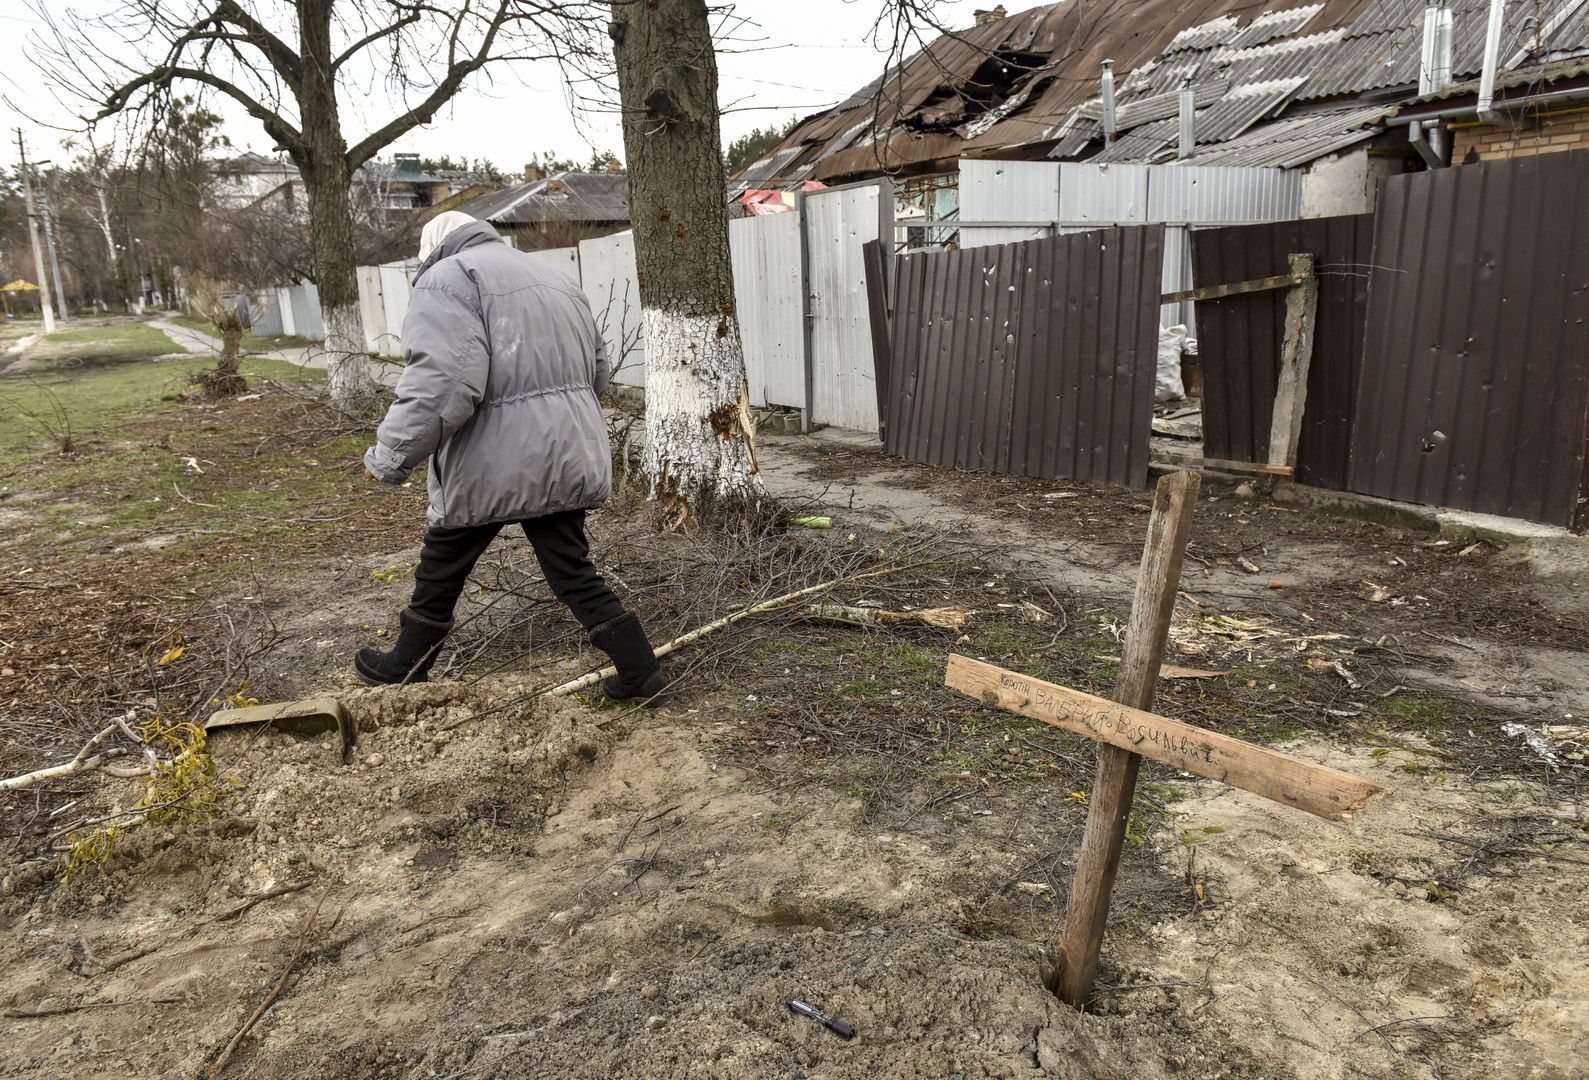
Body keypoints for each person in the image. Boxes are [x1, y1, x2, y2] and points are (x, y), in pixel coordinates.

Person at [356, 211, 666, 701]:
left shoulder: (449, 278)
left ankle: (405, 665)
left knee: (441, 564)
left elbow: (443, 382)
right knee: (570, 567)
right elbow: (598, 373)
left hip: (493, 460)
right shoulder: (555, 278)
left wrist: (391, 454)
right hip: (564, 450)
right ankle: (639, 667)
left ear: (432, 249)